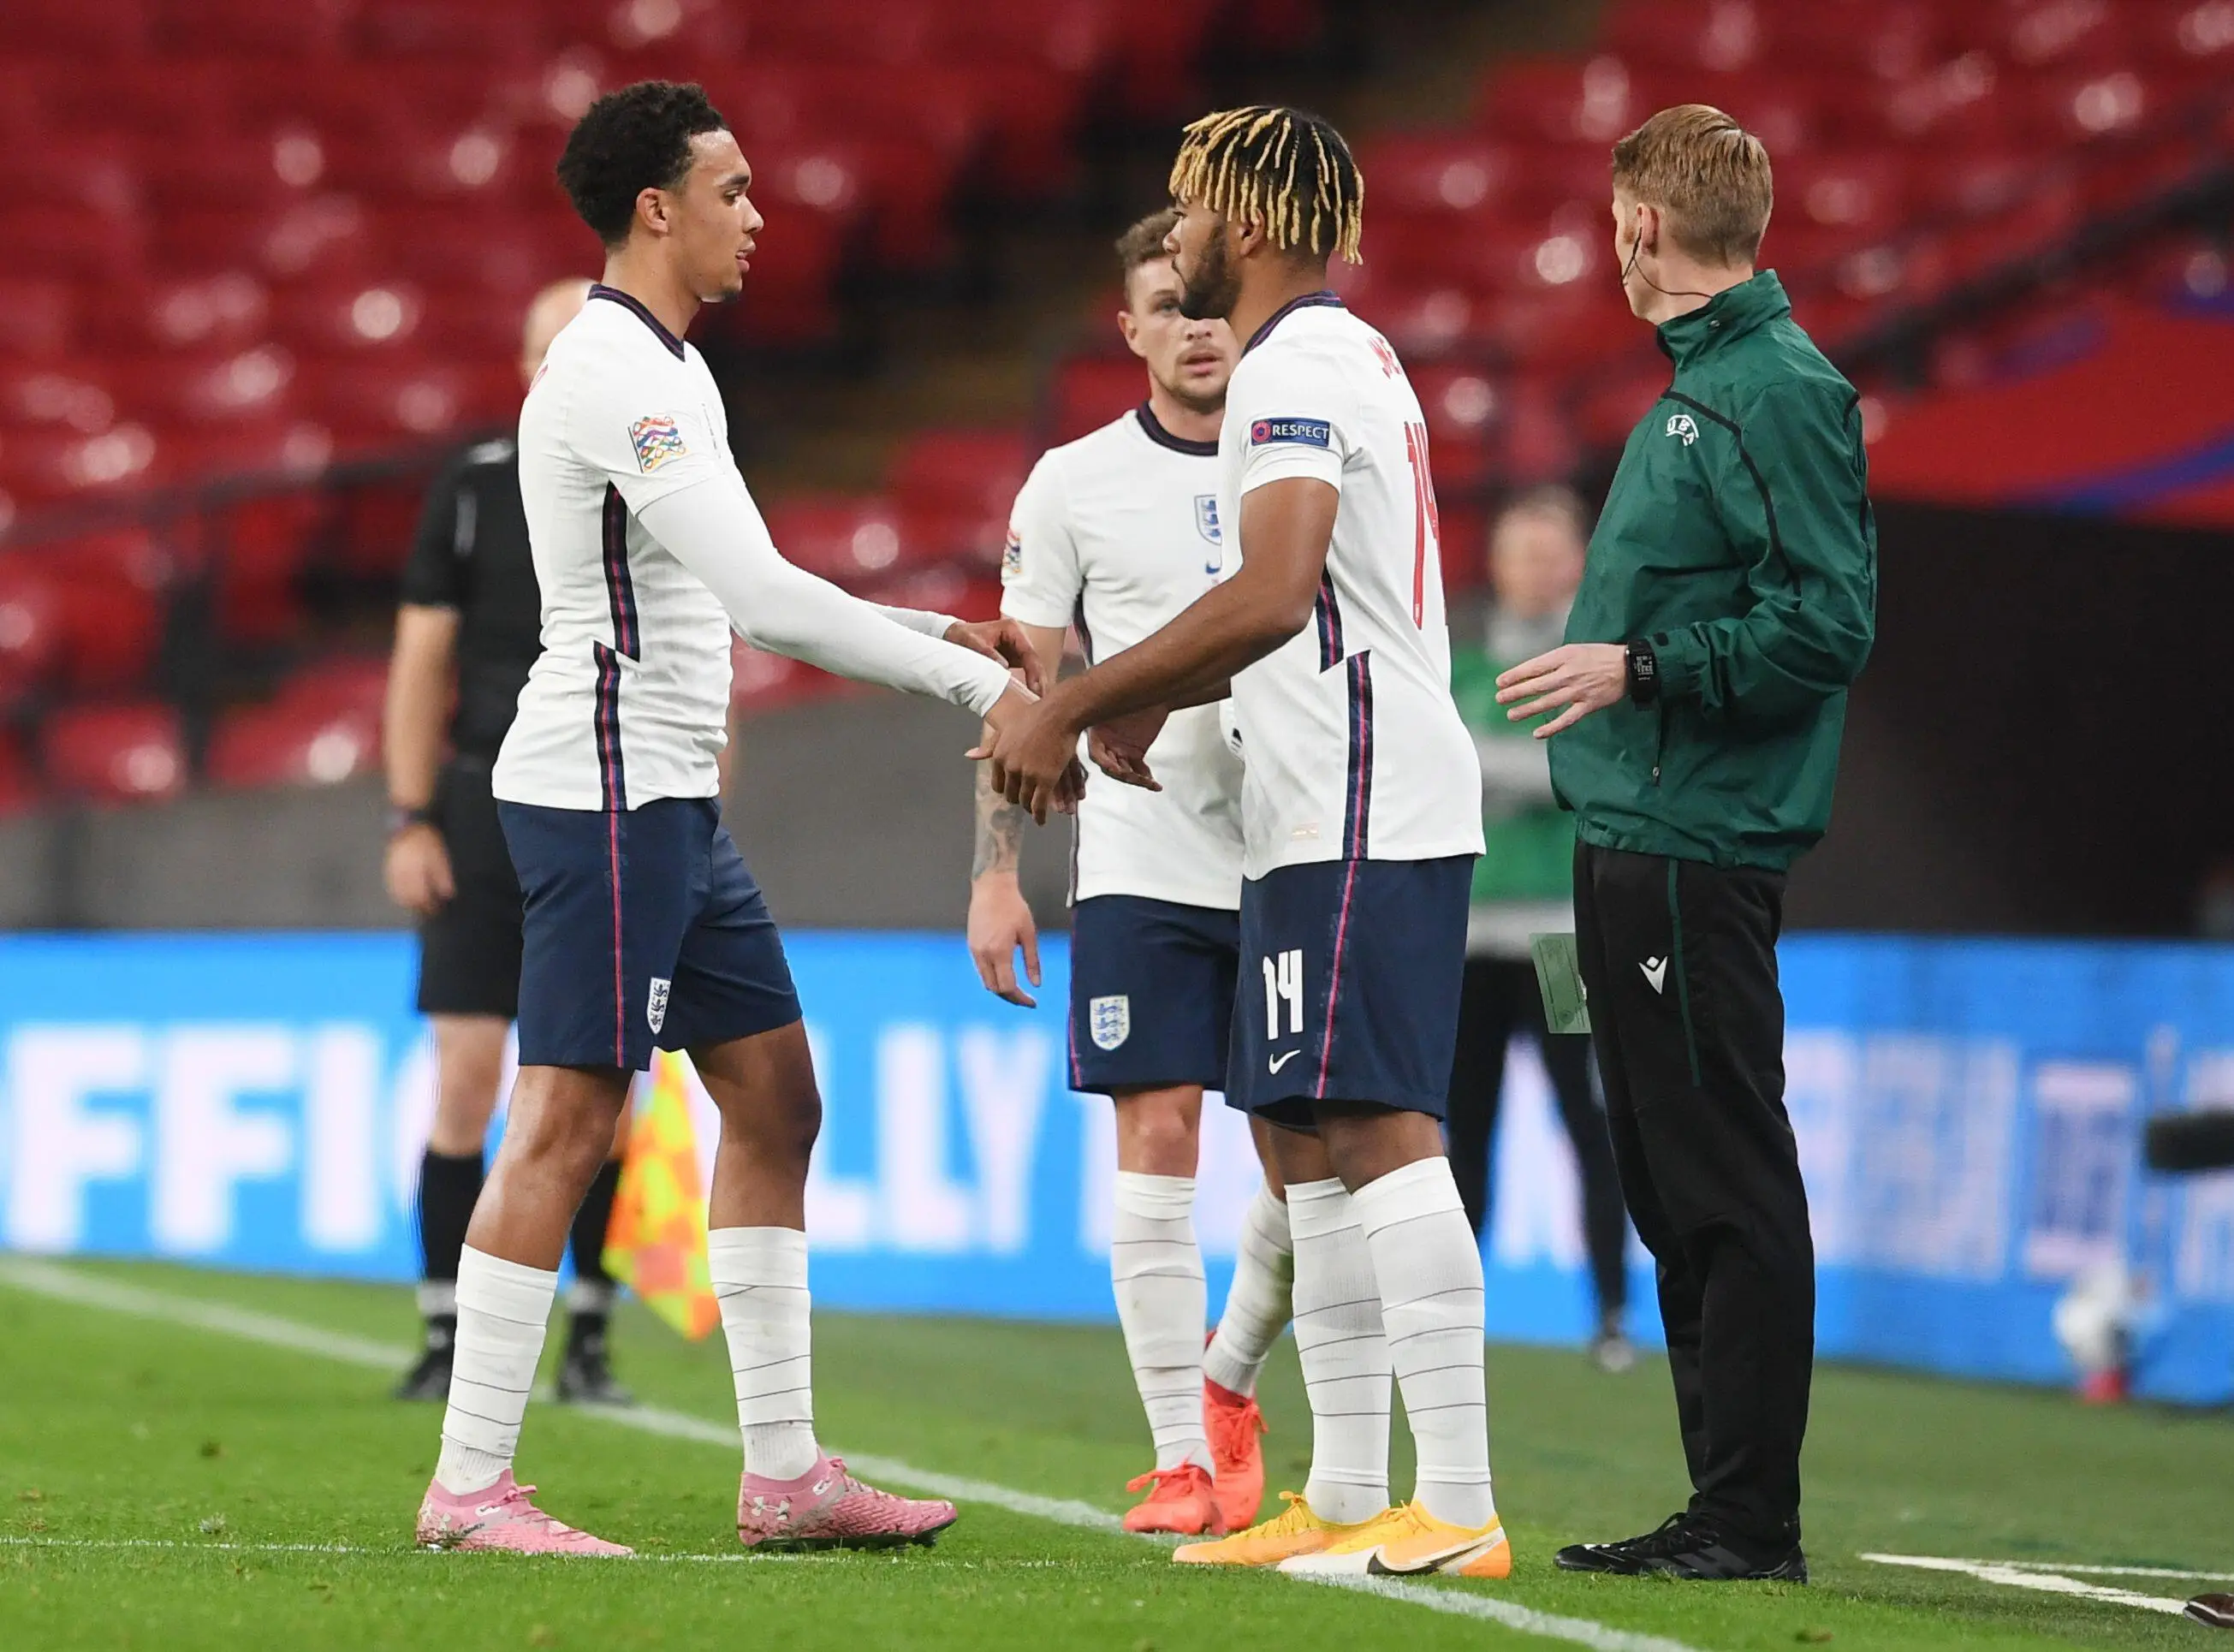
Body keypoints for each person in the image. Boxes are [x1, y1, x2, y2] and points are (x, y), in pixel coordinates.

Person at [413, 79, 1052, 1556]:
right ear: (660, 207)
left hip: (672, 806)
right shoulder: (614, 375)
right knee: (571, 1115)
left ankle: (786, 1477)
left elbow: (739, 589)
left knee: (778, 1101)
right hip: (609, 793)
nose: (759, 217)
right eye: (735, 191)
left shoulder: (668, 368)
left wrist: (946, 633)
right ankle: (469, 1485)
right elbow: (768, 605)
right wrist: (969, 693)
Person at [979, 105, 1511, 1582]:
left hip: (1358, 793)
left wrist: (1082, 699)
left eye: (1189, 207)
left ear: (1251, 223)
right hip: (1307, 796)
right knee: (1308, 1143)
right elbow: (1310, 593)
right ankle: (1345, 1499)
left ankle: (1457, 1501)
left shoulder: (1303, 361)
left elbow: (1277, 589)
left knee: (1382, 1127)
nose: (1179, 231)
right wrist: (1157, 701)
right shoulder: (1333, 359)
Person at [1494, 104, 1875, 1583]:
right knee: (1667, 1174)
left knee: (1721, 1169)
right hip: (1632, 833)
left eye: (1613, 216)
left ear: (1641, 228)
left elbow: (1829, 621)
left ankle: (1748, 1519)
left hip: (1696, 841)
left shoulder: (1774, 388)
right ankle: (1719, 1505)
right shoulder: (1707, 388)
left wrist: (1640, 667)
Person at [968, 209, 1294, 1538]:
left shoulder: (1303, 457)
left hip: (1294, 841)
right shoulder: (1071, 482)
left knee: (1302, 1161)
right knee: (1154, 1136)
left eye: (1212, 304)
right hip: (1140, 857)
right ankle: (1178, 1455)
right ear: (1129, 326)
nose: (1195, 327)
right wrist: (999, 869)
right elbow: (1016, 688)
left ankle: (1231, 1381)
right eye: (1168, 305)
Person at [384, 277, 645, 1409]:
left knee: (605, 1092)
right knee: (467, 1078)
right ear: (525, 365)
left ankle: (588, 1339)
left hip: (610, 801)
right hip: (482, 802)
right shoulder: (478, 485)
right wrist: (410, 815)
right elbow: (419, 659)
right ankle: (446, 1334)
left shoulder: (651, 478)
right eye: (547, 349)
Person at [1445, 487, 1632, 1374]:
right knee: (1460, 1126)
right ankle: (1450, 1316)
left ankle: (1611, 1313)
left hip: (1562, 939)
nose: (1531, 568)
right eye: (1516, 551)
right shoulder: (1463, 669)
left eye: (1548, 551)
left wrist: (1477, 761)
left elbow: (1586, 778)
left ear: (1577, 563)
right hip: (1469, 937)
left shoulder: (1595, 666)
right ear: (1495, 567)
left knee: (1588, 1120)